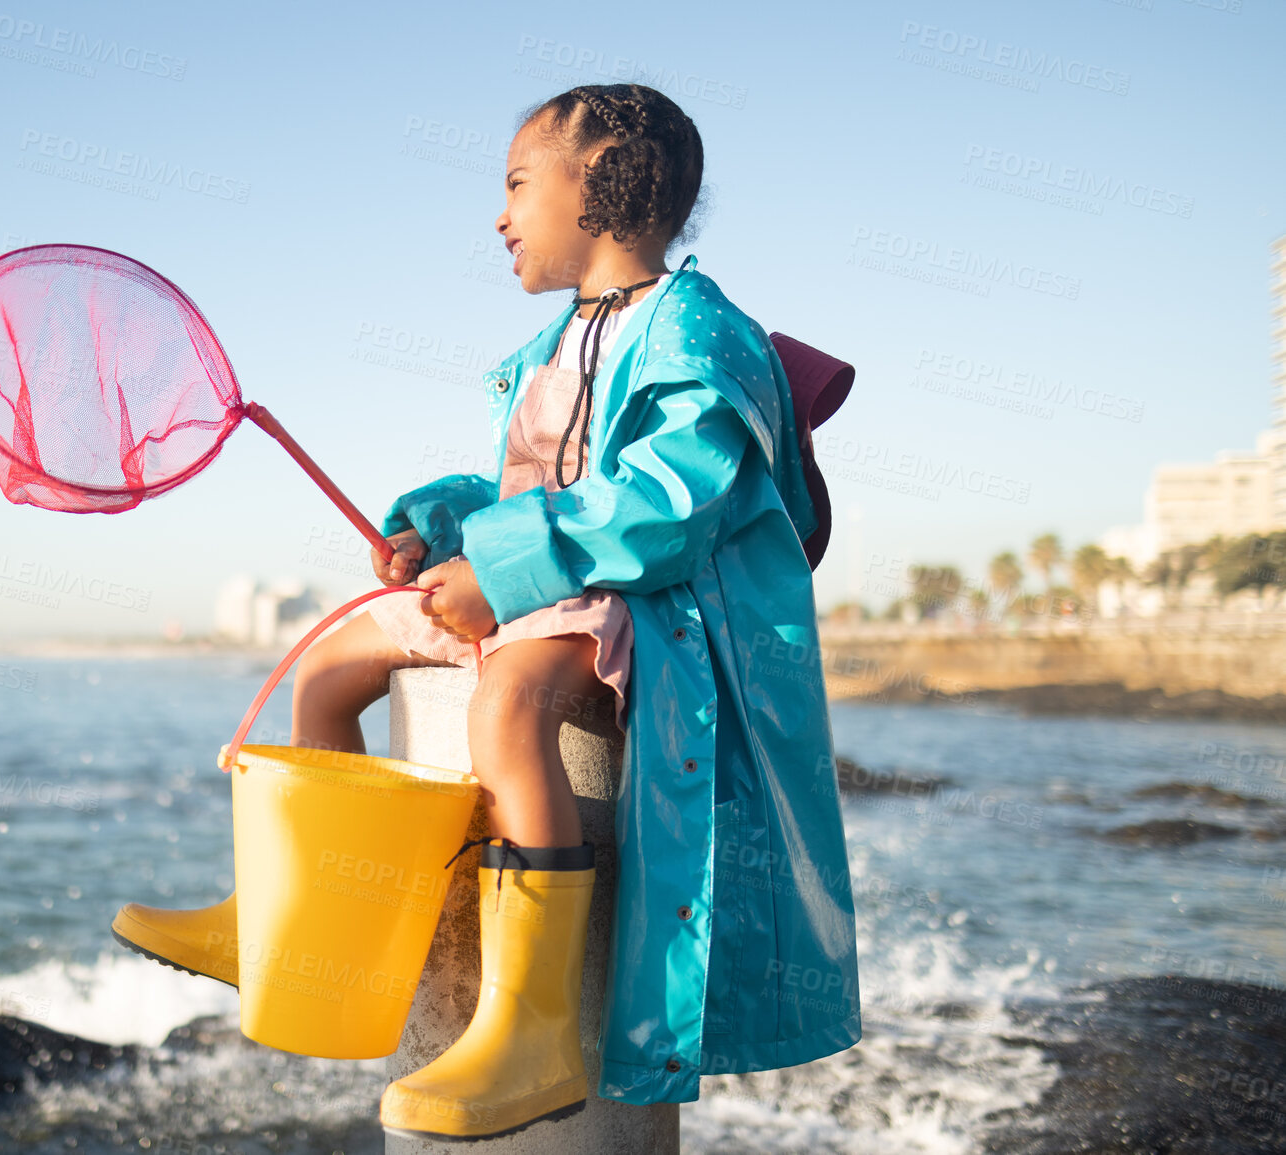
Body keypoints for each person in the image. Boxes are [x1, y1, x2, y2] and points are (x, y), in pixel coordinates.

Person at [113, 82, 861, 1142]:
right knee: (330, 665)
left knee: (508, 707)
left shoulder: (697, 332)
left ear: (602, 184)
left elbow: (665, 506)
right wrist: (437, 527)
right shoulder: (564, 341)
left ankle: (533, 1022)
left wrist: (504, 569)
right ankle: (289, 927)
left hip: (631, 601)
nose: (500, 214)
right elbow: (520, 488)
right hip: (533, 575)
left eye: (517, 184)